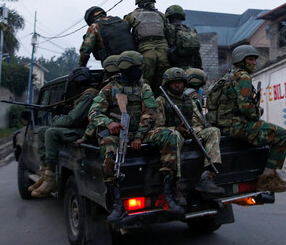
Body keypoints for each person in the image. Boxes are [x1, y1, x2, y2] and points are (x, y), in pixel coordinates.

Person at [88, 50, 184, 222]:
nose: (140, 70)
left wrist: (139, 136)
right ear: (127, 67)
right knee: (107, 144)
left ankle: (168, 193)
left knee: (172, 136)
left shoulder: (143, 87)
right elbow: (94, 112)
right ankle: (117, 202)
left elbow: (150, 112)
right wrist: (108, 123)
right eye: (137, 67)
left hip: (141, 132)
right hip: (117, 134)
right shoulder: (109, 88)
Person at [208, 45, 286, 193]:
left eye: (254, 60)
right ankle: (268, 177)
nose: (254, 63)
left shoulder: (228, 76)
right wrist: (257, 112)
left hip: (225, 126)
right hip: (237, 126)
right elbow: (247, 108)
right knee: (282, 135)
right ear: (241, 60)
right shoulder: (242, 76)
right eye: (250, 59)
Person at [30, 67, 99, 197]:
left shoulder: (89, 96)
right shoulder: (82, 95)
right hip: (78, 129)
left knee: (51, 132)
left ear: (79, 83)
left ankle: (51, 179)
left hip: (84, 132)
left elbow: (73, 119)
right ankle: (46, 174)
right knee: (42, 131)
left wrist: (57, 119)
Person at [156, 67, 224, 196]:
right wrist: (175, 129)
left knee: (213, 131)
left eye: (180, 82)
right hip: (172, 135)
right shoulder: (161, 101)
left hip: (189, 131)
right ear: (167, 84)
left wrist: (192, 130)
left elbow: (198, 122)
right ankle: (175, 184)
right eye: (174, 82)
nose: (177, 85)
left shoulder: (189, 100)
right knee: (174, 136)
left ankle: (207, 175)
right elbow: (157, 126)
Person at [123, 0, 171, 95]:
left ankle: (147, 105)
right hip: (164, 51)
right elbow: (168, 32)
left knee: (144, 82)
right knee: (163, 83)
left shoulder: (132, 15)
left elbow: (123, 32)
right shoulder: (161, 15)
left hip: (146, 50)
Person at [165, 5, 202, 70]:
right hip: (191, 66)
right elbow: (197, 54)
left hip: (175, 67)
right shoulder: (188, 29)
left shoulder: (169, 29)